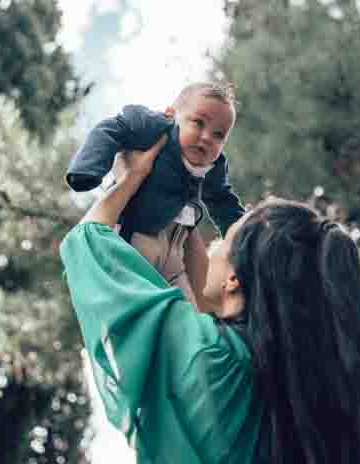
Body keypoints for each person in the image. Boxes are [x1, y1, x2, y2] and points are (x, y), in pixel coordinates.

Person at [60, 141, 360, 464]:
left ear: (234, 278)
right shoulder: (301, 385)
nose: (213, 246)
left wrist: (131, 178)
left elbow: (87, 245)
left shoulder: (214, 358)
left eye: (225, 239)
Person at [65, 82, 244, 307]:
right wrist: (88, 170)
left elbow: (223, 202)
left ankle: (189, 333)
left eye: (218, 135)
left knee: (188, 310)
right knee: (135, 298)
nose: (207, 137)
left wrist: (246, 237)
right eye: (198, 123)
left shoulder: (214, 165)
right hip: (137, 238)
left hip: (175, 247)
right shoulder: (155, 128)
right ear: (171, 115)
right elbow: (112, 129)